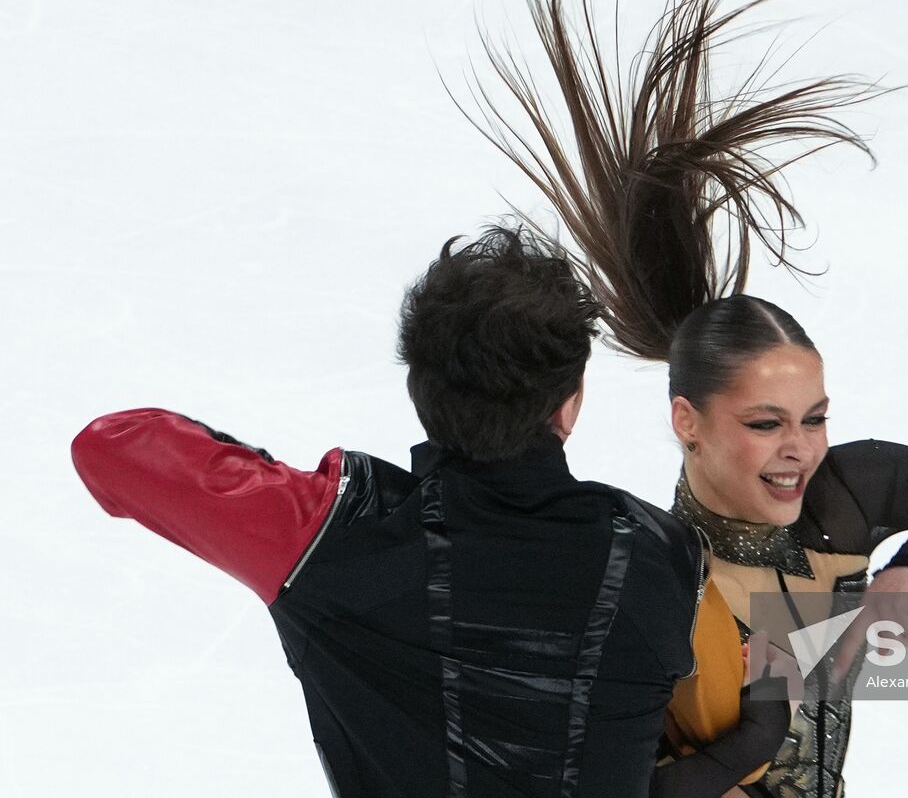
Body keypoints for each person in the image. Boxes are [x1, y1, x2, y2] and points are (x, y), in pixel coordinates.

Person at [453, 0, 908, 798]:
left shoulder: (843, 501)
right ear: (686, 421)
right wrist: (745, 749)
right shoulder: (646, 567)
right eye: (765, 424)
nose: (800, 447)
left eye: (814, 416)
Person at [71, 225, 791, 798]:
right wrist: (745, 749)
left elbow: (110, 449)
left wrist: (307, 496)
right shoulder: (661, 556)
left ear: (421, 395)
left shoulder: (331, 540)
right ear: (569, 405)